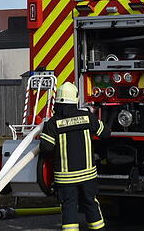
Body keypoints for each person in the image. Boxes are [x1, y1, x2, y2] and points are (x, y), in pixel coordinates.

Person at [39, 82, 113, 230]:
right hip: (88, 175)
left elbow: (46, 148)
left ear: (58, 100)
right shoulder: (87, 117)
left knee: (69, 206)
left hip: (66, 177)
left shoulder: (52, 124)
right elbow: (105, 133)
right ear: (75, 99)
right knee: (90, 203)